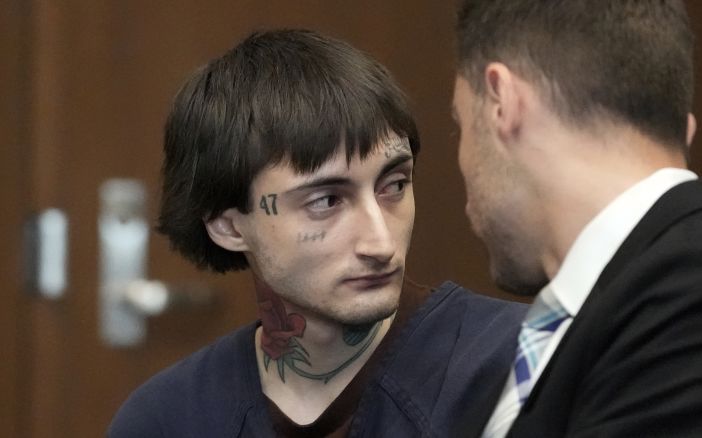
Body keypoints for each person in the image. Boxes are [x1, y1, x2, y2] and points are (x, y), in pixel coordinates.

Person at [107, 29, 527, 437]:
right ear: (229, 225)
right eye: (326, 201)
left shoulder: (517, 366)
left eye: (394, 186)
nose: (381, 243)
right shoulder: (169, 419)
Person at [451, 1, 702, 437]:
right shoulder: (577, 326)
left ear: (502, 103)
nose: (463, 161)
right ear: (686, 130)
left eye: (460, 127)